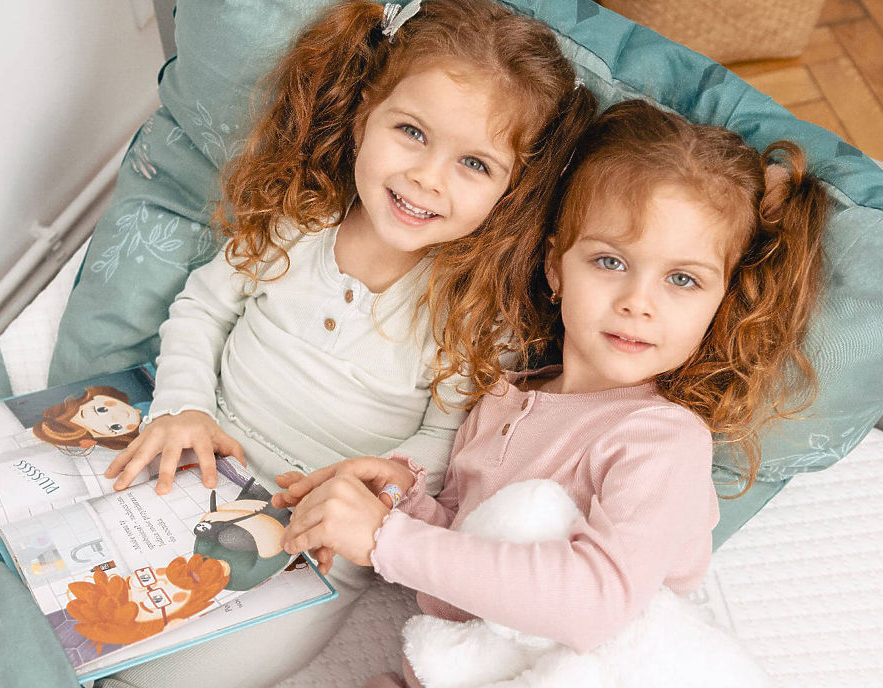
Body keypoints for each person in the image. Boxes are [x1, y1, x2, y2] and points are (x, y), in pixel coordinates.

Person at [96, 2, 596, 686]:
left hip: (320, 530)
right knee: (86, 594)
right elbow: (202, 309)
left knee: (186, 673)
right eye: (412, 131)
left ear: (511, 190)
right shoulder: (300, 221)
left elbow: (447, 440)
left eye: (474, 164)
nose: (427, 177)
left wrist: (374, 486)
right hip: (206, 454)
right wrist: (183, 407)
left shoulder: (475, 313)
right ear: (365, 116)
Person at [273, 98, 829, 687]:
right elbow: (466, 565)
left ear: (719, 302)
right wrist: (402, 502)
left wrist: (388, 539)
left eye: (682, 279)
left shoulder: (662, 439)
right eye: (610, 261)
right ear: (556, 267)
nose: (638, 302)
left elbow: (593, 604)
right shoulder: (501, 399)